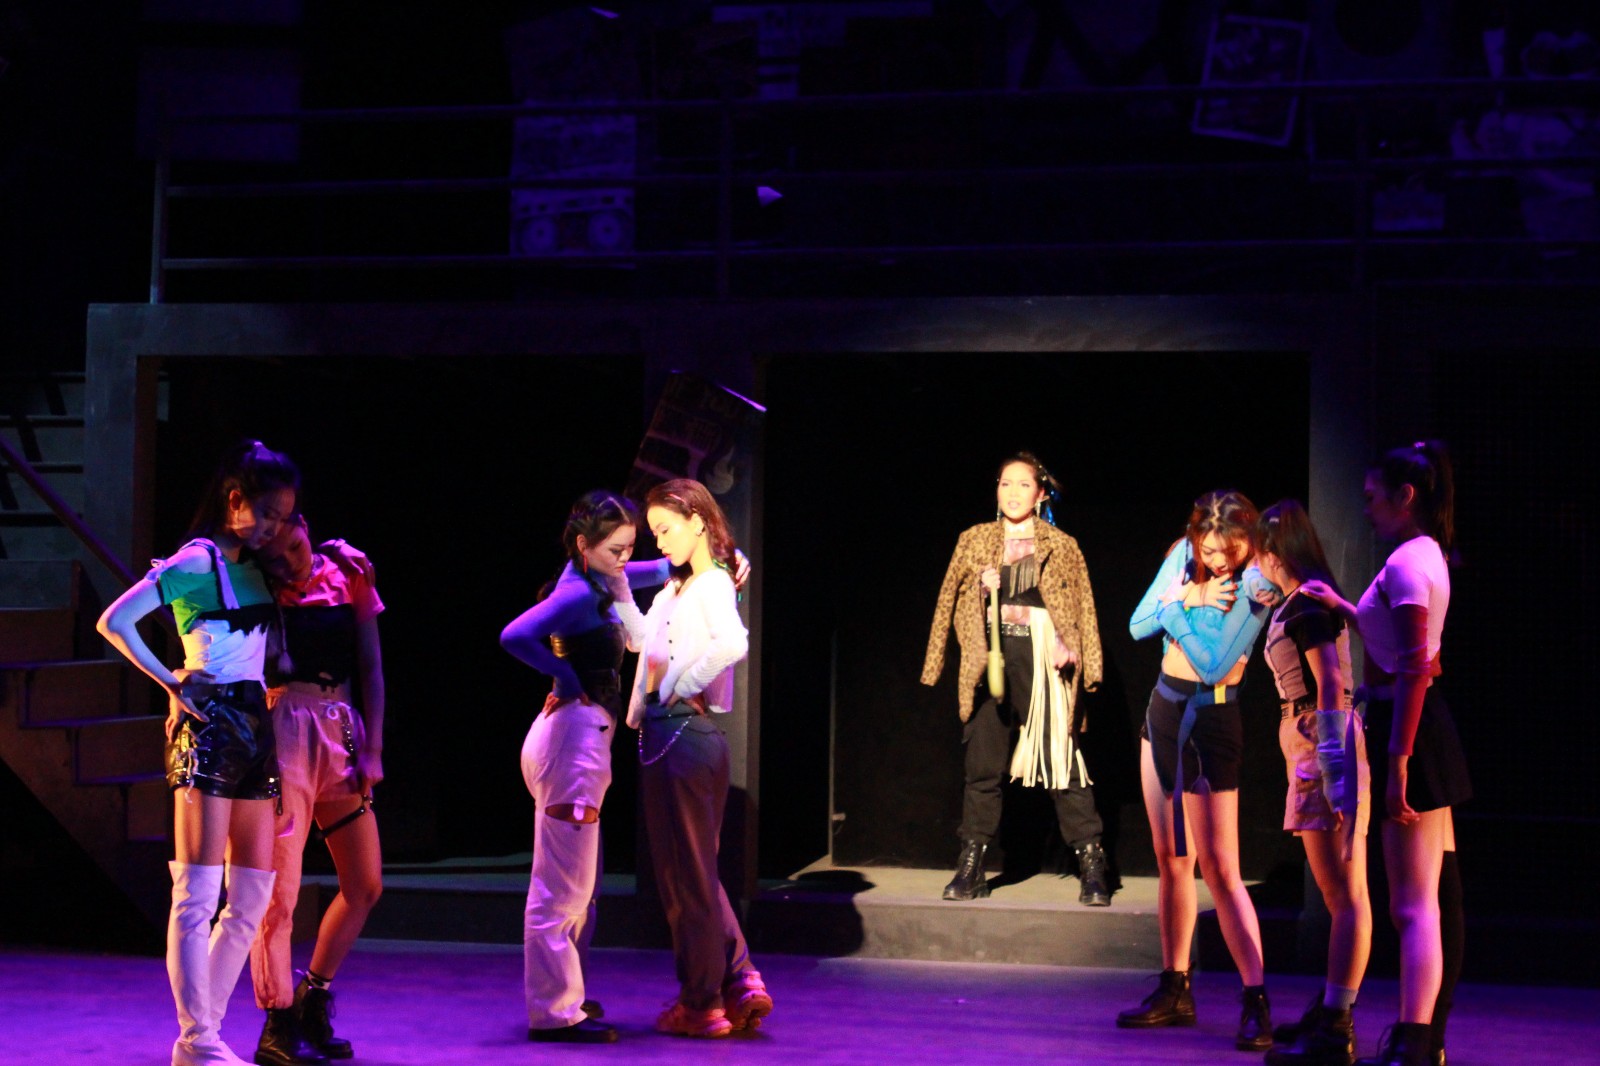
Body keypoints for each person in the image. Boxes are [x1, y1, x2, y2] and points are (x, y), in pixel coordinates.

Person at [96, 440, 298, 1066]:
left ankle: (202, 1035)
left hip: (255, 726)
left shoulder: (259, 565)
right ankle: (199, 1039)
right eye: (266, 512)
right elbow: (115, 621)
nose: (273, 527)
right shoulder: (196, 559)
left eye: (284, 516)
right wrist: (171, 681)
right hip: (210, 725)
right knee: (197, 895)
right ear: (234, 500)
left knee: (252, 896)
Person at [1301, 442, 1467, 1066]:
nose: (1366, 509)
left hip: (1411, 731)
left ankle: (1415, 1041)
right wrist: (1344, 608)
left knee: (1412, 905)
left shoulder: (1406, 563)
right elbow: (1400, 646)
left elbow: (1417, 668)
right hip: (1412, 725)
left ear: (1406, 497)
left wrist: (1397, 763)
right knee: (1429, 898)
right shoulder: (1425, 555)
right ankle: (1421, 1037)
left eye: (1373, 498)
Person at [1119, 489, 1278, 1052]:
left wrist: (1176, 610)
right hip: (1163, 711)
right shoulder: (1183, 557)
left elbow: (1214, 665)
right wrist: (1188, 593)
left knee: (1220, 868)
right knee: (1172, 860)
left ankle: (1255, 999)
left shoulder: (1257, 580)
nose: (1217, 560)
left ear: (1247, 541)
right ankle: (1175, 987)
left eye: (1228, 550)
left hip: (1211, 721)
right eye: (1208, 549)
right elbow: (1137, 625)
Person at [920, 451, 1109, 905]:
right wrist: (937, 659)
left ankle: (1092, 864)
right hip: (990, 658)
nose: (1013, 493)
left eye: (1024, 484)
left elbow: (1083, 607)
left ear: (1041, 493)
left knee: (1062, 762)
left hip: (1042, 657)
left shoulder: (1062, 545)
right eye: (1005, 483)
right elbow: (947, 600)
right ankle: (971, 866)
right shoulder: (974, 540)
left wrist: (1076, 652)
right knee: (982, 767)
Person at [499, 491, 653, 1045]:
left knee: (577, 887)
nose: (625, 559)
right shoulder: (577, 593)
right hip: (573, 746)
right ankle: (554, 1012)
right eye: (616, 550)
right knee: (561, 889)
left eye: (630, 547)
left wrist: (701, 559)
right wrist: (564, 676)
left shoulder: (598, 579)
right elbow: (514, 635)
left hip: (579, 741)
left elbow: (645, 571)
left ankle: (566, 997)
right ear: (584, 546)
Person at [628, 479, 768, 1039]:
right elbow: (639, 638)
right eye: (654, 532)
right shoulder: (676, 590)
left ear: (697, 522)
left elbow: (733, 643)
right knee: (690, 875)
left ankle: (702, 1001)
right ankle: (740, 980)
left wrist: (677, 688)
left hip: (684, 733)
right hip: (670, 735)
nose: (659, 542)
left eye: (665, 530)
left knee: (686, 881)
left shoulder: (710, 584)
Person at [247, 515, 386, 1065]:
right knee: (279, 890)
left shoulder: (347, 572)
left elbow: (371, 666)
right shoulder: (258, 586)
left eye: (295, 546)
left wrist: (373, 747)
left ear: (304, 525)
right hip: (286, 727)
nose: (290, 562)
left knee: (365, 884)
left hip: (341, 728)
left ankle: (313, 995)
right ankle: (276, 1019)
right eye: (276, 557)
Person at [1253, 500, 1372, 1066]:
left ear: (1273, 553)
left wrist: (1331, 764)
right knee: (1337, 894)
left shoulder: (1307, 605)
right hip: (1306, 738)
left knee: (1346, 893)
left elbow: (1328, 681)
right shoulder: (1296, 603)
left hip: (1319, 737)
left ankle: (1336, 1027)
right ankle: (1330, 1011)